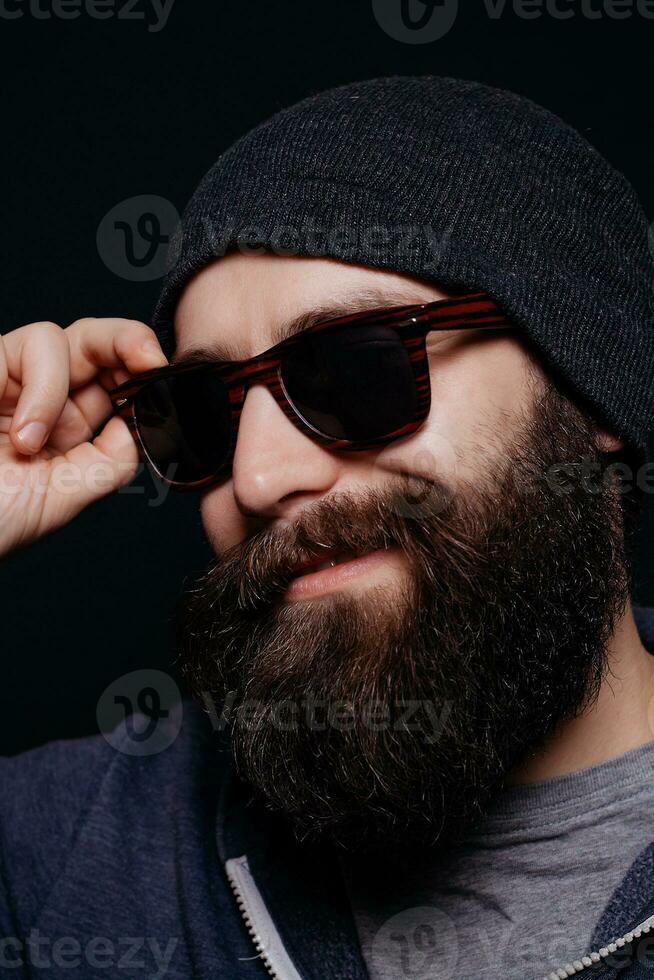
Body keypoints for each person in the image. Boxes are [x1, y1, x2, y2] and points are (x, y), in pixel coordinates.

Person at [1, 75, 654, 980]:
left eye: (356, 365)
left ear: (588, 390)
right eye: (205, 414)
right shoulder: (51, 860)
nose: (260, 476)